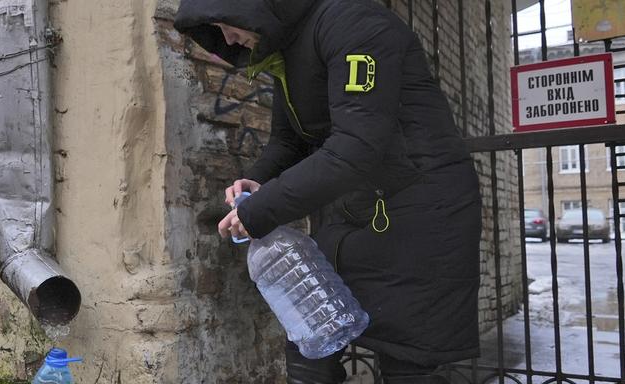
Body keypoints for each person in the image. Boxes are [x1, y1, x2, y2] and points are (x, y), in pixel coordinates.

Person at [174, 0, 482, 383]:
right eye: (217, 30)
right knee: (311, 346)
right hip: (353, 214)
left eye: (228, 23)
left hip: (420, 219)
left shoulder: (357, 26)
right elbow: (288, 143)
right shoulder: (287, 49)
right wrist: (258, 181)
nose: (228, 37)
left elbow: (357, 147)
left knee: (408, 358)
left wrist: (262, 211)